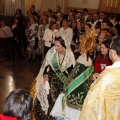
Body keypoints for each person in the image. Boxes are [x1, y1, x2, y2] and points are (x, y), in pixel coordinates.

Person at [50, 30, 96, 120]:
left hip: (74, 94)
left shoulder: (81, 60)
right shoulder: (89, 61)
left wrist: (66, 88)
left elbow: (73, 75)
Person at [30, 36, 75, 120]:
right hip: (51, 78)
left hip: (64, 80)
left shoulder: (70, 55)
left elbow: (72, 70)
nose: (55, 47)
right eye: (55, 45)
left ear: (64, 46)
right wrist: (45, 75)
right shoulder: (51, 52)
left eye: (57, 46)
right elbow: (46, 66)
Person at [79, 36, 120, 120]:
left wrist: (96, 82)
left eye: (109, 48)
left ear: (114, 52)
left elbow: (92, 102)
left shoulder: (108, 75)